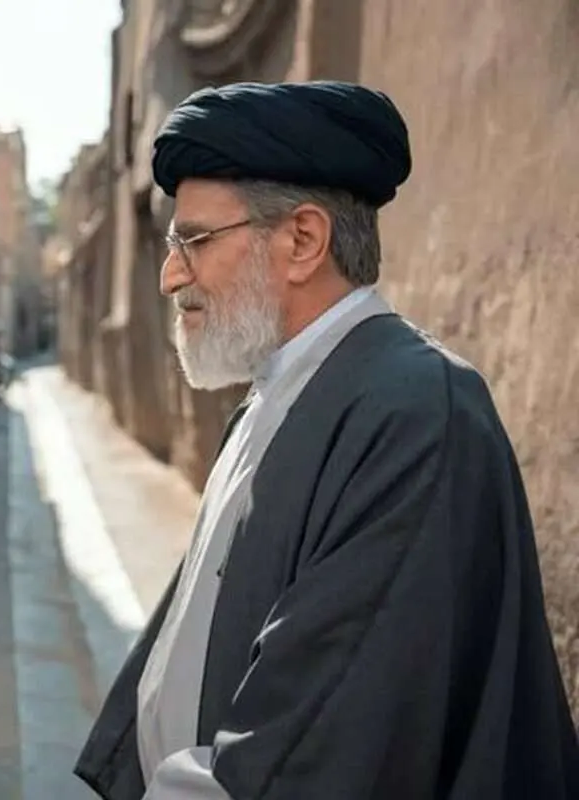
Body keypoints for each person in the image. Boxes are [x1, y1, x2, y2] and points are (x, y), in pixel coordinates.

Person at [74, 81, 579, 799]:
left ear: (303, 241)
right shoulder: (275, 397)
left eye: (195, 241)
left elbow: (324, 739)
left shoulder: (415, 414)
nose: (169, 275)